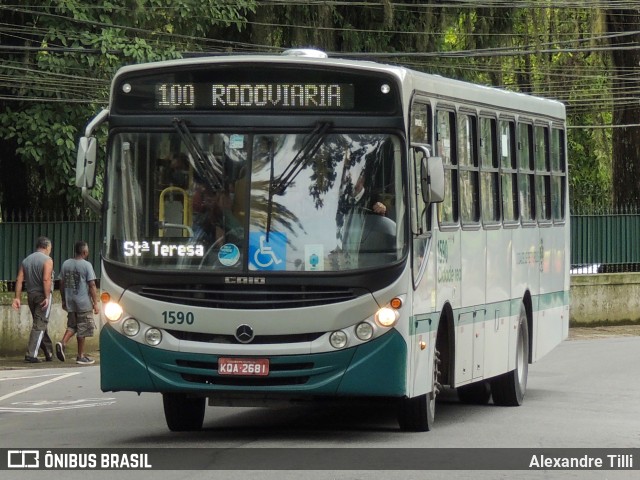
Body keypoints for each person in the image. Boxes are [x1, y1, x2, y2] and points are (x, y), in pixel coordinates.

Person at [12, 236, 55, 363]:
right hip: (43, 295)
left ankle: (49, 351)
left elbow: (19, 279)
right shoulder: (47, 260)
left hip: (31, 295)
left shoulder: (26, 260)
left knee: (40, 323)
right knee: (39, 324)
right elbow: (46, 279)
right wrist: (47, 297)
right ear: (46, 247)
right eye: (50, 248)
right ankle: (31, 354)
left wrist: (17, 298)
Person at [56, 240, 99, 365]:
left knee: (73, 326)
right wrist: (95, 303)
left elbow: (61, 283)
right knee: (83, 328)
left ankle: (62, 343)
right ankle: (80, 356)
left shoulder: (66, 264)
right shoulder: (86, 265)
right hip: (83, 302)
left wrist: (64, 299)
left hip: (70, 301)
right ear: (85, 252)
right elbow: (92, 285)